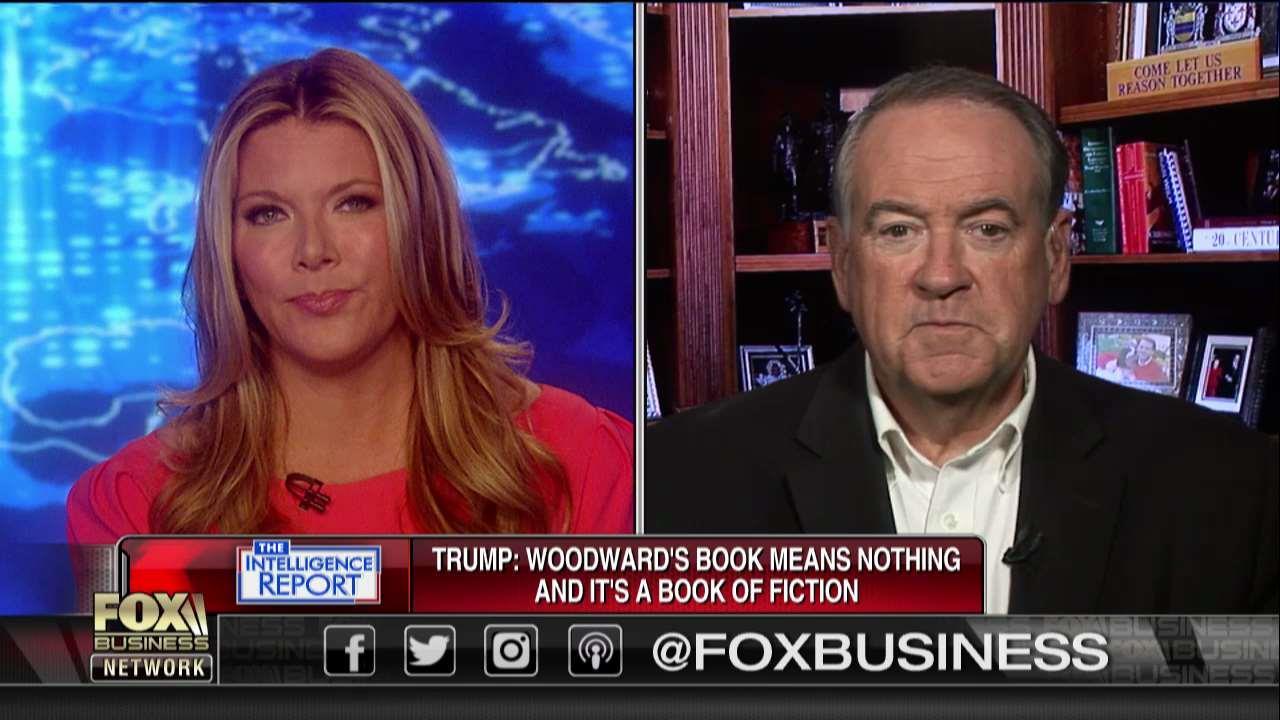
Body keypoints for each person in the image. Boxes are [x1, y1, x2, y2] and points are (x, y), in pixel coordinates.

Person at [645, 67, 1277, 614]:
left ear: (1056, 257)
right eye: (898, 231)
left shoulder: (1227, 488)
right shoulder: (679, 479)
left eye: (987, 229)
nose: (942, 275)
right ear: (841, 264)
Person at [67, 49, 634, 544]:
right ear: (229, 250)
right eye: (268, 214)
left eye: (354, 203)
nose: (313, 251)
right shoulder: (131, 506)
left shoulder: (583, 460)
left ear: (420, 223)